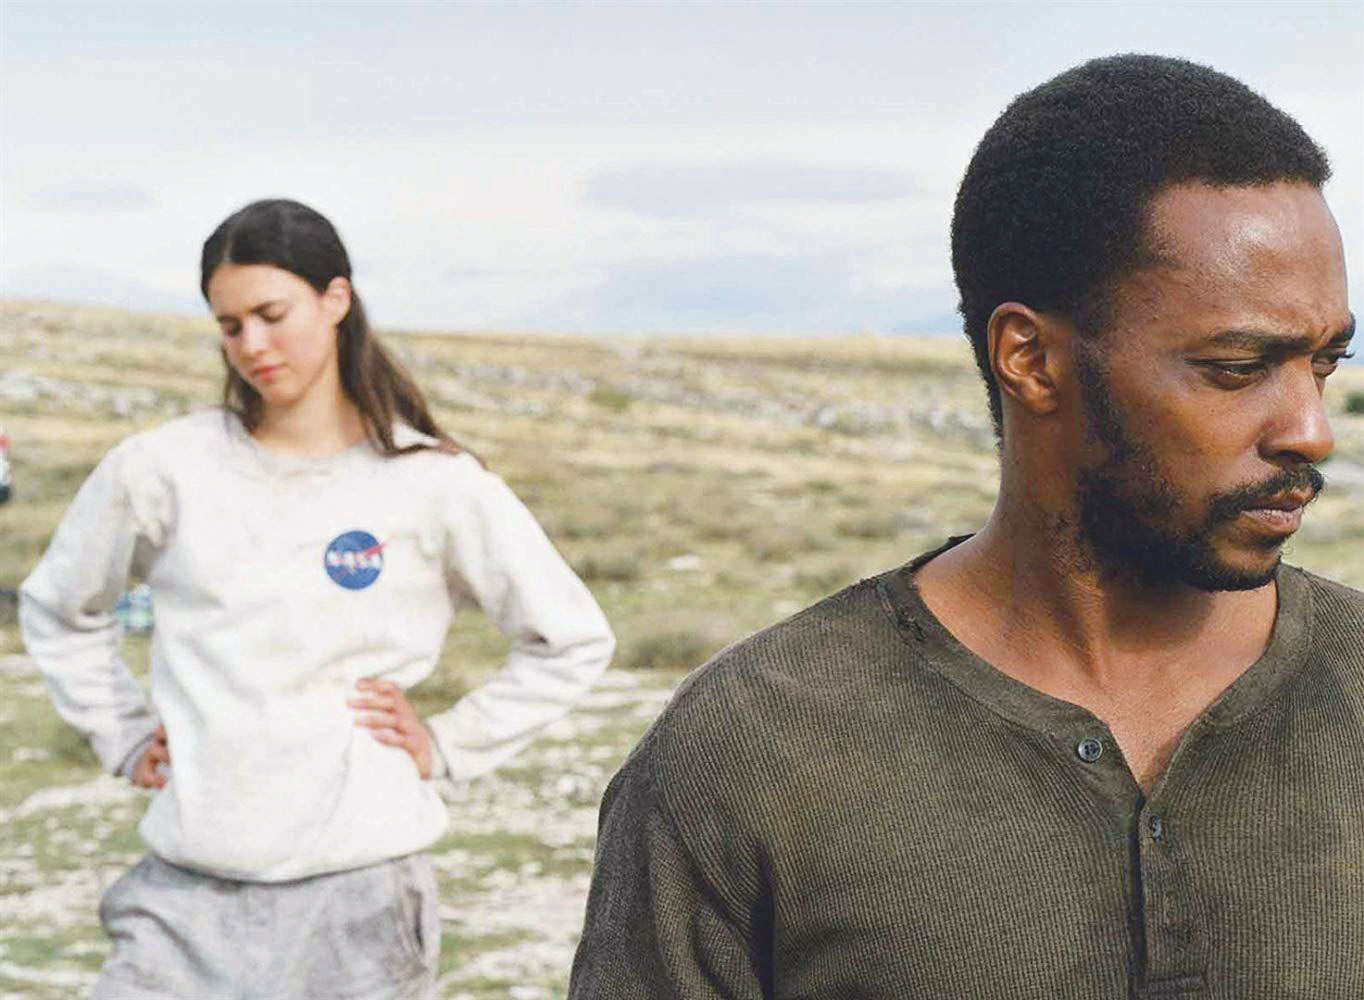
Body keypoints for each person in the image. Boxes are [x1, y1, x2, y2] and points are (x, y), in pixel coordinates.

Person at [568, 54, 1361, 998]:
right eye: (1237, 368)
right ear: (1030, 358)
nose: (1310, 429)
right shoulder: (752, 751)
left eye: (1325, 361)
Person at [19, 198, 615, 999]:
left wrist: (447, 744)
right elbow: (59, 606)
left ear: (336, 299)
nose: (252, 346)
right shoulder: (161, 469)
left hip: (362, 902)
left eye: (272, 315)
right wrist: (122, 733)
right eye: (230, 325)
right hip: (185, 899)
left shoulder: (434, 484)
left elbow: (571, 637)